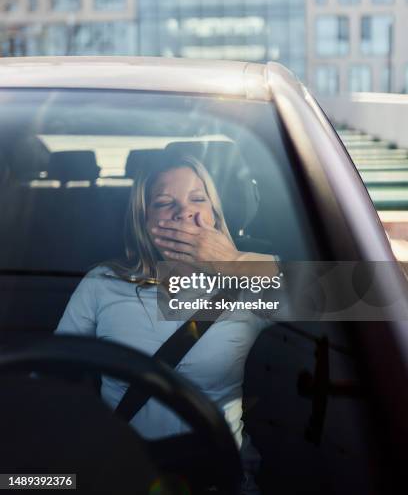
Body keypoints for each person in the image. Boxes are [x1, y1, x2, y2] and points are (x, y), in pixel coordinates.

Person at [55, 152, 278, 493]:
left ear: (214, 215)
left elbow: (374, 292)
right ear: (142, 219)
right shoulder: (103, 282)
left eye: (198, 198)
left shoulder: (251, 280)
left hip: (219, 480)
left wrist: (233, 262)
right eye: (164, 202)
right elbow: (51, 378)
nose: (184, 211)